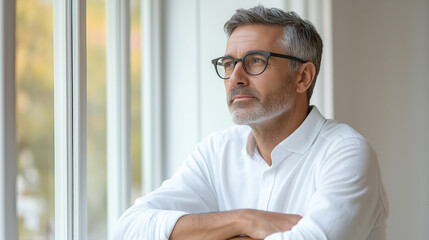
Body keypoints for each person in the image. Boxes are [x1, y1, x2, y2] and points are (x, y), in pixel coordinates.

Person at [115, 5, 389, 240]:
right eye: (228, 63)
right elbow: (129, 229)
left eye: (255, 61)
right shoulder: (216, 151)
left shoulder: (346, 153)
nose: (235, 78)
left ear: (303, 77)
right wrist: (244, 220)